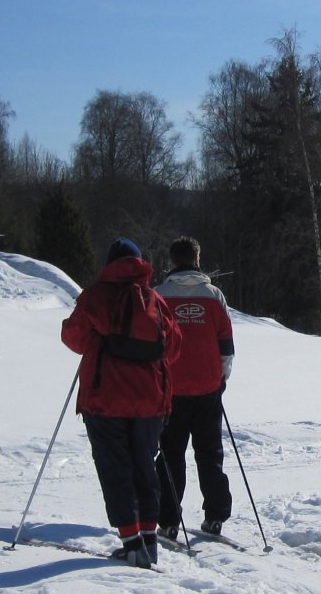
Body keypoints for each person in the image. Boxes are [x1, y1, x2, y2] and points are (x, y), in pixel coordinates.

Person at [61, 238, 182, 567]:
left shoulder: (95, 296)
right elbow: (173, 348)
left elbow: (74, 339)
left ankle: (131, 543)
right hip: (150, 401)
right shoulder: (154, 300)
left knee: (115, 468)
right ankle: (149, 540)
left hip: (105, 400)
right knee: (145, 467)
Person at [153, 236, 236, 539]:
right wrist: (221, 379)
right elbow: (226, 345)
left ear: (172, 262)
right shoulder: (214, 296)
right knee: (210, 453)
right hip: (207, 388)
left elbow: (152, 343)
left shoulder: (158, 296)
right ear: (197, 259)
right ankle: (215, 516)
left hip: (171, 390)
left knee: (170, 454)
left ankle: (168, 520)